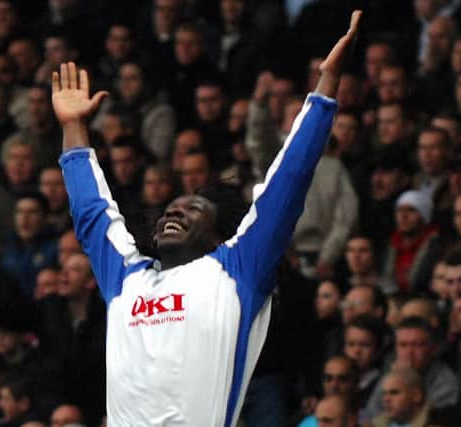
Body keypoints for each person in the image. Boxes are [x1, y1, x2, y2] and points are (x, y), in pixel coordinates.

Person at [51, 10, 362, 426]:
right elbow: (92, 216)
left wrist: (324, 92)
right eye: (170, 209)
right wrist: (73, 128)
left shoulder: (236, 269)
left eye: (192, 210)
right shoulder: (127, 278)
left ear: (218, 236)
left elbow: (288, 183)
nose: (173, 212)